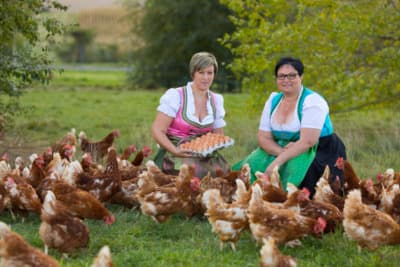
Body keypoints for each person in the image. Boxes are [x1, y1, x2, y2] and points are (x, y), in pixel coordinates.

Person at [232, 56, 346, 196]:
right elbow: (263, 137)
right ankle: (247, 196)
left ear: (301, 76)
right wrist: (282, 153)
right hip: (282, 147)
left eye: (292, 75)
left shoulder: (313, 101)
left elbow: (308, 141)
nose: (286, 80)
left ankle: (283, 200)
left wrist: (276, 164)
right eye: (281, 76)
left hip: (317, 149)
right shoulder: (273, 100)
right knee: (252, 163)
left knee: (294, 168)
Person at [152, 52, 230, 178]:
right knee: (190, 173)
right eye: (201, 72)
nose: (206, 78)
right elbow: (157, 130)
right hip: (176, 155)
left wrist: (207, 146)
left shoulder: (216, 100)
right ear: (193, 72)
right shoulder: (176, 96)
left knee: (224, 175)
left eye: (210, 73)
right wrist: (175, 150)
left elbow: (218, 135)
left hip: (204, 155)